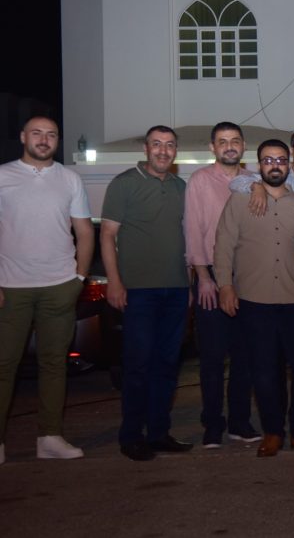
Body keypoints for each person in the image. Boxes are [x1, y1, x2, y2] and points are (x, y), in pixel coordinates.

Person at [215, 139, 294, 457]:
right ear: (259, 165)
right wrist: (225, 286)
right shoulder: (240, 202)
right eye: (268, 160)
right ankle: (272, 432)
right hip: (254, 301)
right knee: (264, 371)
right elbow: (223, 246)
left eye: (281, 160)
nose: (275, 165)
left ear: (287, 164)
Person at [0, 116, 94, 465]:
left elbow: (84, 232)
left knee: (54, 364)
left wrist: (79, 279)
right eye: (37, 133)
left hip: (59, 287)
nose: (44, 139)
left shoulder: (69, 179)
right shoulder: (3, 176)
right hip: (11, 289)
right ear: (23, 137)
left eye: (51, 134)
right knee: (3, 365)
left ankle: (50, 438)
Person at [101, 125, 192, 461]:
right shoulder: (124, 183)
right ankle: (131, 436)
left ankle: (158, 433)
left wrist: (189, 284)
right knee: (137, 366)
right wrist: (114, 281)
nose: (163, 151)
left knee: (167, 366)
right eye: (157, 144)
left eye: (169, 145)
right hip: (138, 291)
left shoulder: (181, 187)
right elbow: (107, 235)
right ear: (145, 148)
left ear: (175, 151)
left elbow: (187, 238)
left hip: (177, 290)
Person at [183, 122, 259, 449]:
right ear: (212, 147)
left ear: (243, 146)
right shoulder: (200, 181)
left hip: (249, 278)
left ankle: (239, 423)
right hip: (211, 278)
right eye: (223, 141)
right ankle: (212, 424)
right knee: (213, 358)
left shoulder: (255, 180)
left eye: (235, 141)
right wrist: (202, 277)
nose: (229, 146)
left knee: (245, 356)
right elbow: (193, 231)